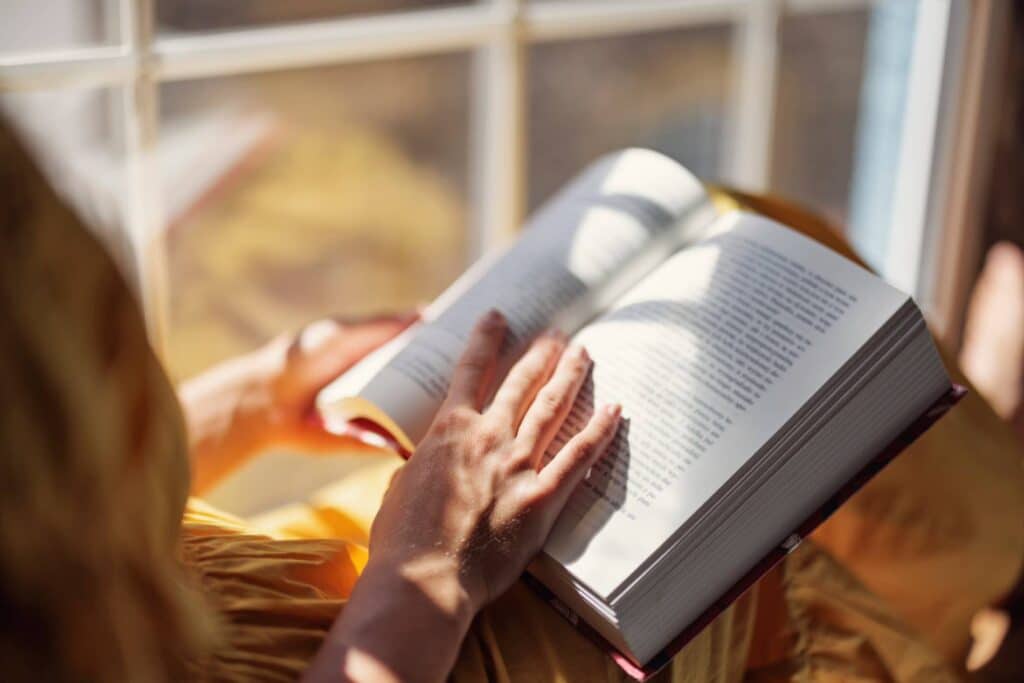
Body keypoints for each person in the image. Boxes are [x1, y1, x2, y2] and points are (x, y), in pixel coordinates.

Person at [2, 113, 1020, 682]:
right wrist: (425, 574)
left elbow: (36, 494)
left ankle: (969, 499)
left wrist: (257, 395)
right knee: (762, 537)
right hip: (418, 626)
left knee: (734, 223)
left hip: (285, 582)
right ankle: (988, 566)